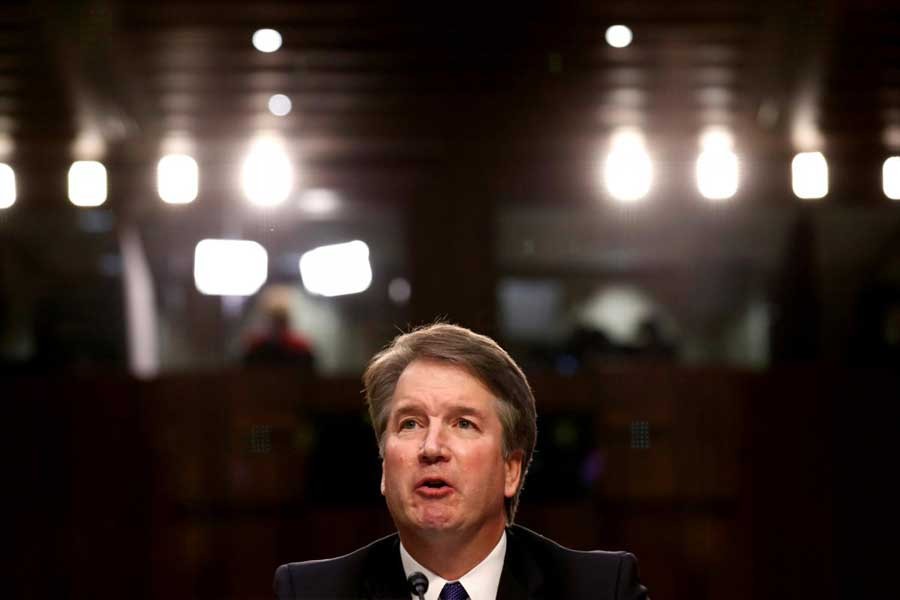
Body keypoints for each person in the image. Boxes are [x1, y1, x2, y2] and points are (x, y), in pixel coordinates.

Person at [274, 323, 648, 599]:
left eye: (463, 423)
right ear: (385, 466)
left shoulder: (600, 589)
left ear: (511, 470)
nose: (432, 447)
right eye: (410, 423)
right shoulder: (309, 593)